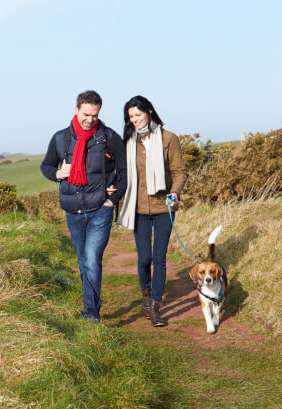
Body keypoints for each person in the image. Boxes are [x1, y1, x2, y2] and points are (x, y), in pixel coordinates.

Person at [40, 90, 127, 322]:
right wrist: (58, 173)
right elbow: (46, 166)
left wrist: (112, 199)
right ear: (76, 110)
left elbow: (125, 171)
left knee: (91, 259)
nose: (90, 120)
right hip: (73, 212)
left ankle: (90, 312)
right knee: (83, 261)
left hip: (100, 210)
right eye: (86, 114)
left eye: (94, 115)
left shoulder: (108, 136)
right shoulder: (60, 138)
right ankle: (92, 303)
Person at [114, 95, 187, 326]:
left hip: (164, 208)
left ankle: (156, 306)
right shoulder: (127, 142)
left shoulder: (169, 139)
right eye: (131, 116)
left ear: (150, 112)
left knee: (159, 258)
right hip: (137, 209)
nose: (135, 120)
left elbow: (179, 172)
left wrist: (175, 193)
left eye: (138, 114)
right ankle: (145, 296)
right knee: (144, 259)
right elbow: (120, 172)